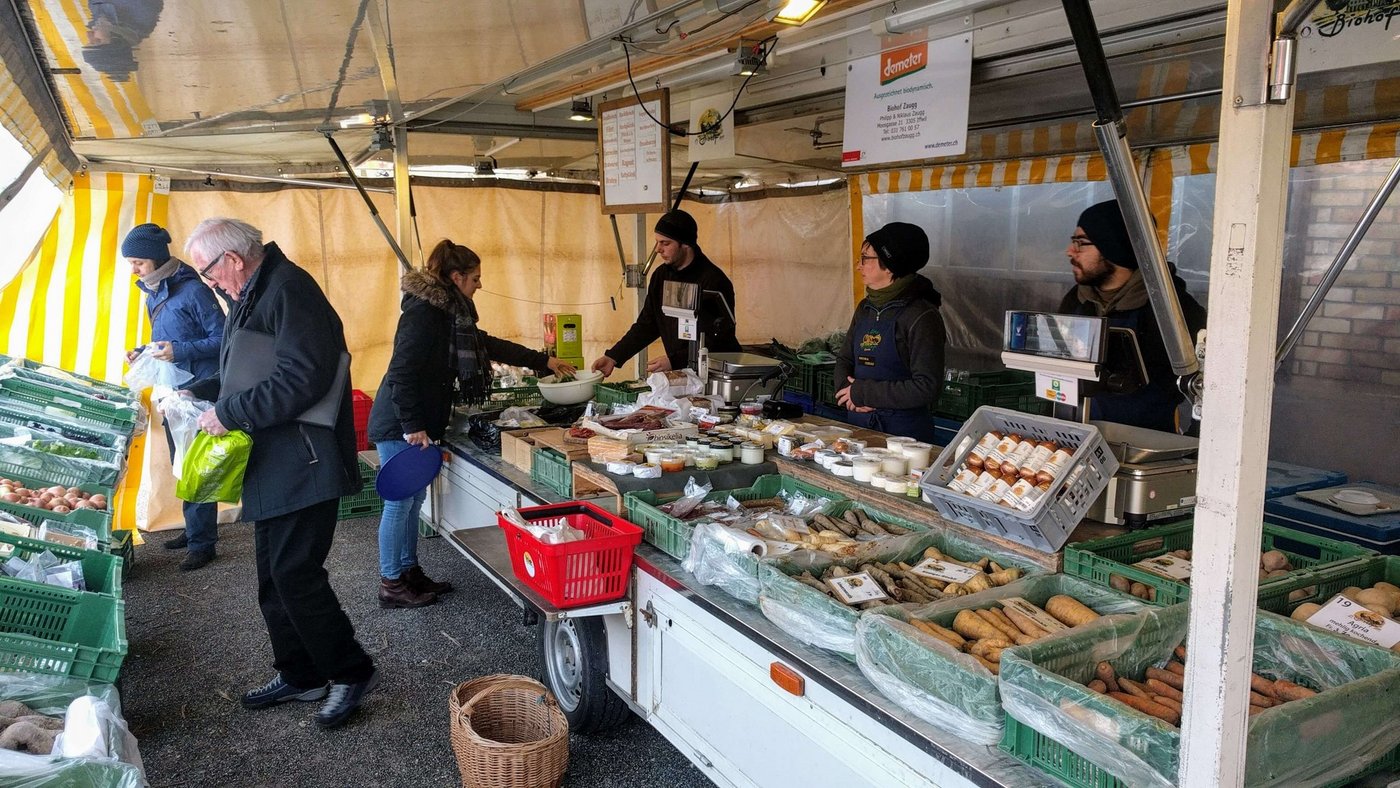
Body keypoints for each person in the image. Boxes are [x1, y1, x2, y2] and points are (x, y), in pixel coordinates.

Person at [184, 217, 377, 730]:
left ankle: (349, 670)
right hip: (277, 460)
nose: (210, 283)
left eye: (208, 273)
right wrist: (200, 390)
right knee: (273, 577)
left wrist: (229, 412)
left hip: (305, 459)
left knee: (295, 573)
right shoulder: (256, 290)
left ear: (233, 260)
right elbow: (247, 365)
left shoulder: (290, 288)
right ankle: (301, 673)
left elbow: (303, 376)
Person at [367, 240, 576, 609]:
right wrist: (413, 424)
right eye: (475, 278)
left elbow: (487, 344)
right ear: (455, 276)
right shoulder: (423, 314)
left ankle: (408, 571)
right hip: (400, 422)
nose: (479, 284)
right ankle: (390, 582)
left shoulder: (449, 313)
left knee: (414, 499)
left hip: (418, 421)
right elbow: (401, 372)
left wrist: (544, 361)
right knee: (399, 502)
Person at [121, 223, 225, 572]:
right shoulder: (155, 290)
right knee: (182, 461)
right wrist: (145, 352)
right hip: (173, 389)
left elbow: (225, 339)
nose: (133, 269)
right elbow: (168, 337)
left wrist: (178, 350)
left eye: (137, 262)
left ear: (155, 259)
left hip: (196, 389)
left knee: (194, 463)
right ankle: (196, 528)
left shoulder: (193, 291)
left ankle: (202, 543)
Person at [1058, 200, 1207, 432]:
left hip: (1143, 449)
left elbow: (1207, 388)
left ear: (1113, 247)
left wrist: (1192, 448)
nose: (1070, 251)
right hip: (1076, 436)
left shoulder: (1171, 310)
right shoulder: (1077, 302)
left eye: (1081, 243)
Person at [833, 222, 946, 444]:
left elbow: (926, 386)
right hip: (858, 426)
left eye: (866, 258)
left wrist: (864, 392)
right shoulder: (866, 307)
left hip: (903, 437)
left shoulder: (921, 316)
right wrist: (848, 392)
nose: (859, 265)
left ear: (890, 265)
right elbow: (845, 359)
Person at [591, 209, 740, 376]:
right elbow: (647, 324)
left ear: (686, 244)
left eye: (665, 243)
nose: (658, 249)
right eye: (657, 242)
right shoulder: (661, 276)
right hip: (681, 375)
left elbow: (719, 340)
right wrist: (614, 356)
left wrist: (675, 360)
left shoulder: (713, 281)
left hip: (715, 374)